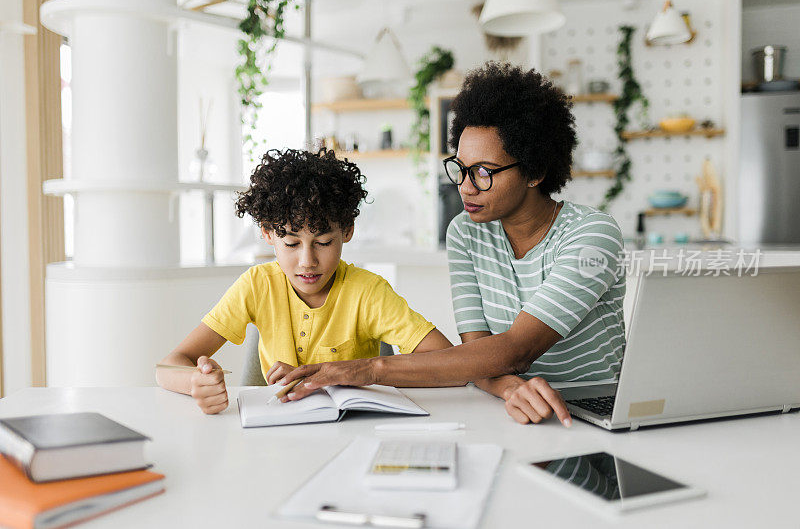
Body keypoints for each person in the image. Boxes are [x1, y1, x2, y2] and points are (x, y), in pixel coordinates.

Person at [277, 62, 626, 427]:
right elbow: (477, 353)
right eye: (461, 167)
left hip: (596, 414)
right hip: (513, 412)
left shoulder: (592, 235)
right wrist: (509, 389)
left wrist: (368, 369)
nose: (466, 186)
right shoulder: (466, 232)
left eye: (484, 172)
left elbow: (515, 350)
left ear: (536, 172)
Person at [156, 148, 452, 414]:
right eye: (292, 244)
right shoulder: (258, 285)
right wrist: (196, 381)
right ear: (268, 233)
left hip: (351, 432)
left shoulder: (367, 292)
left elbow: (449, 362)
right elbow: (169, 365)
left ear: (347, 230)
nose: (308, 261)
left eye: (323, 242)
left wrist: (366, 370)